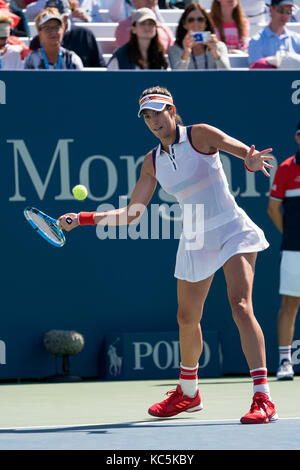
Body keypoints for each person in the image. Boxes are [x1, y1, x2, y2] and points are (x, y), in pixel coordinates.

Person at [58, 86, 278, 424]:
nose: (153, 121)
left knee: (240, 305)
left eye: (158, 112)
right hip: (194, 238)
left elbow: (239, 150)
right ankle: (188, 393)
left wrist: (249, 160)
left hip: (232, 229)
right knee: (186, 318)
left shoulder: (200, 135)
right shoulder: (152, 162)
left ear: (172, 110)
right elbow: (132, 213)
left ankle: (262, 397)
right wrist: (84, 218)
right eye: (147, 116)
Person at [267, 121, 300, 381]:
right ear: (297, 137)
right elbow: (273, 209)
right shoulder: (287, 169)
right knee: (290, 303)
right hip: (293, 248)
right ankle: (285, 361)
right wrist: (290, 235)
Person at [29, 1, 106, 67]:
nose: (52, 31)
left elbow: (100, 68)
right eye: (47, 27)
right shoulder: (35, 47)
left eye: (56, 26)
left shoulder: (85, 36)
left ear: (66, 17)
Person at [168, 3, 231, 69]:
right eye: (191, 20)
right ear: (184, 24)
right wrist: (186, 54)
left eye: (200, 19)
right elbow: (177, 77)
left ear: (206, 24)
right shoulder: (175, 49)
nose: (196, 23)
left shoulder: (219, 46)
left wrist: (216, 53)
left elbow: (227, 75)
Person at [248, 0, 300, 67]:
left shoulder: (297, 40)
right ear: (271, 9)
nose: (285, 15)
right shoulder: (256, 40)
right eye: (281, 10)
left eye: (289, 12)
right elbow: (255, 69)